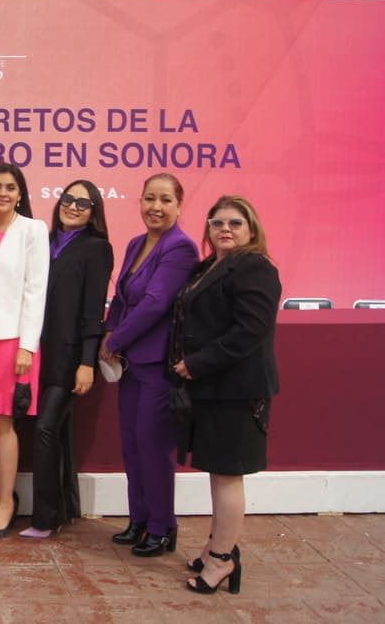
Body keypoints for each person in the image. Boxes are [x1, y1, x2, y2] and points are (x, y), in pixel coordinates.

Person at [171, 195, 280, 594]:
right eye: (217, 223)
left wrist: (196, 363)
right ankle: (217, 547)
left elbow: (248, 333)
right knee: (219, 474)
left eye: (235, 223)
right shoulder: (209, 267)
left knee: (229, 476)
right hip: (214, 389)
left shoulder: (256, 267)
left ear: (251, 229)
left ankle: (222, 561)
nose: (225, 229)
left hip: (238, 390)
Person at [100, 172, 198, 556]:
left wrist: (117, 339)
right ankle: (138, 519)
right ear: (139, 201)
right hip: (131, 364)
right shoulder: (136, 243)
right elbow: (123, 298)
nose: (156, 207)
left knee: (154, 446)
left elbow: (156, 302)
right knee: (132, 445)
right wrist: (110, 332)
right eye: (149, 199)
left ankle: (162, 527)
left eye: (165, 200)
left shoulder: (181, 248)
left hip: (158, 364)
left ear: (178, 205)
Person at [21, 180, 114, 539]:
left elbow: (93, 310)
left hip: (70, 356)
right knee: (55, 431)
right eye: (68, 198)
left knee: (45, 428)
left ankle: (44, 519)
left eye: (83, 202)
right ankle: (63, 509)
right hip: (37, 353)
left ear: (94, 213)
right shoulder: (44, 244)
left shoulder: (96, 249)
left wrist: (87, 362)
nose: (73, 206)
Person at [0, 162, 50, 541]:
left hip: (11, 340)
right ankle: (0, 495)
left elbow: (36, 290)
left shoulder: (33, 230)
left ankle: (7, 505)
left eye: (10, 187)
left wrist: (27, 347)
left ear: (20, 194)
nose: (2, 193)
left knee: (3, 421)